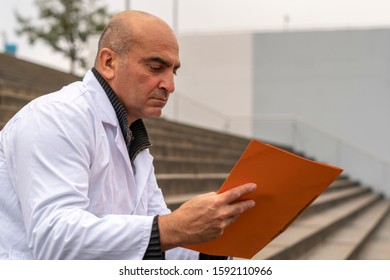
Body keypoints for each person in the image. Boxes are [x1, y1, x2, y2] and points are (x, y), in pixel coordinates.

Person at [0, 10, 256, 260]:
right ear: (109, 62)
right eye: (156, 67)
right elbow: (55, 239)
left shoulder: (134, 139)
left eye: (173, 71)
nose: (170, 85)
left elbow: (156, 237)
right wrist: (172, 227)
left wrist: (214, 249)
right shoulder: (56, 117)